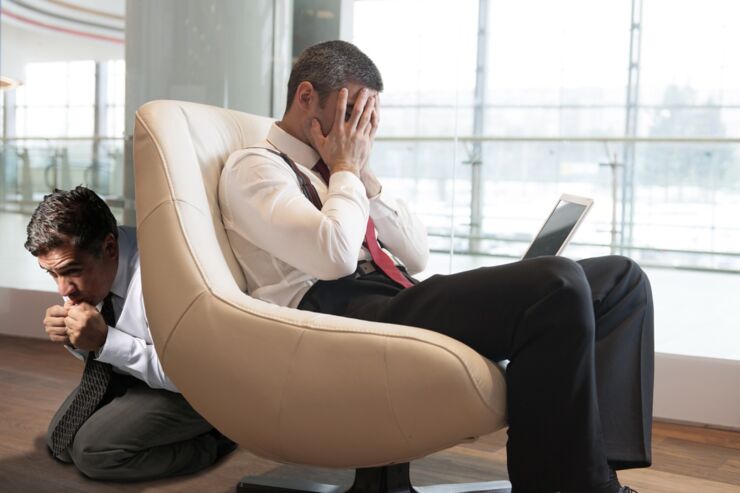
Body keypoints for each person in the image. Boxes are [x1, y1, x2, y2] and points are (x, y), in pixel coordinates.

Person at [218, 40, 653, 493]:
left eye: (370, 119)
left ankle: (600, 472)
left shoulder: (342, 173)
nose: (360, 132)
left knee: (622, 279)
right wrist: (344, 169)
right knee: (556, 283)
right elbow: (334, 256)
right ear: (306, 97)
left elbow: (416, 252)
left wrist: (364, 180)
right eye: (352, 114)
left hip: (395, 296)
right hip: (333, 317)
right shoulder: (256, 167)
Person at [25, 186, 235, 481]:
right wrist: (74, 338)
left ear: (109, 248)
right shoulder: (86, 261)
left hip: (200, 387)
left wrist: (105, 340)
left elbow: (190, 374)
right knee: (62, 441)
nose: (63, 289)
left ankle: (215, 440)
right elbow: (101, 355)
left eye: (70, 271)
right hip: (140, 375)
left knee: (93, 453)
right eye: (52, 274)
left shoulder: (164, 277)